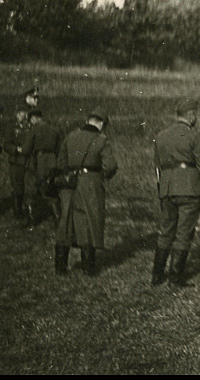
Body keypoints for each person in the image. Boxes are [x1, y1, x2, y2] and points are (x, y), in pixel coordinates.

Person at [151, 100, 200, 287]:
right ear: (191, 115)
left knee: (166, 231)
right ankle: (175, 278)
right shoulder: (195, 136)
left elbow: (157, 166)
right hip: (188, 188)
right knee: (184, 233)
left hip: (167, 188)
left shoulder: (161, 136)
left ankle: (156, 275)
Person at [55, 108, 118, 276]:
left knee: (66, 220)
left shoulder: (71, 136)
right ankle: (88, 268)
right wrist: (101, 176)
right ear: (101, 123)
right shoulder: (101, 140)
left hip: (69, 183)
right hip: (90, 183)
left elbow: (60, 162)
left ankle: (60, 267)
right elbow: (110, 166)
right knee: (89, 221)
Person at [21, 109, 63, 228]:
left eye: (31, 120)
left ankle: (31, 222)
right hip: (51, 161)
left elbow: (26, 150)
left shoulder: (33, 130)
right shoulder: (54, 129)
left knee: (30, 190)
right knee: (50, 190)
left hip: (37, 161)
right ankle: (58, 220)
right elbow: (59, 149)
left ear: (34, 118)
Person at [4, 106, 31, 220]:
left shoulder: (30, 128)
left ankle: (29, 211)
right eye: (19, 114)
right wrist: (16, 149)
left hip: (28, 161)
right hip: (16, 161)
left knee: (29, 187)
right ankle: (18, 213)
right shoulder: (12, 128)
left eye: (23, 114)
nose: (20, 116)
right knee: (17, 187)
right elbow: (6, 144)